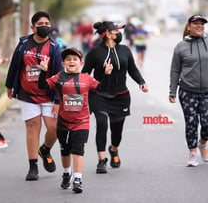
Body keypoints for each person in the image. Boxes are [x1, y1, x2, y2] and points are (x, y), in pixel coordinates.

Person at [38, 47, 113, 193]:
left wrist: (107, 74)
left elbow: (103, 88)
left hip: (82, 122)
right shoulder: (58, 77)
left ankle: (77, 179)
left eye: (75, 59)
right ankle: (67, 173)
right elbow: (42, 86)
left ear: (81, 63)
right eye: (68, 59)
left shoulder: (86, 78)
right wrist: (43, 71)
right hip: (63, 123)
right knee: (65, 151)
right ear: (63, 63)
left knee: (78, 150)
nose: (71, 61)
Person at [82, 21, 148, 174]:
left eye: (119, 31)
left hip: (120, 96)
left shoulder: (124, 50)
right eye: (116, 31)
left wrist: (141, 82)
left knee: (117, 131)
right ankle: (101, 159)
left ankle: (113, 149)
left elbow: (132, 69)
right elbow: (85, 74)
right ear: (106, 34)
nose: (119, 33)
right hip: (99, 94)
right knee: (102, 124)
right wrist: (80, 89)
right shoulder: (94, 52)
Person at [5, 11, 64, 181]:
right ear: (33, 27)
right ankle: (33, 167)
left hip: (48, 95)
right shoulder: (24, 43)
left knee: (54, 129)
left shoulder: (54, 48)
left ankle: (45, 150)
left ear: (50, 26)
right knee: (32, 126)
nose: (44, 27)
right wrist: (9, 85)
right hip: (27, 93)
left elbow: (59, 75)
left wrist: (56, 100)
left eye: (47, 24)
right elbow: (15, 65)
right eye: (40, 24)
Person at [169, 14, 208, 167]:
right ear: (188, 26)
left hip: (207, 92)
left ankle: (203, 144)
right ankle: (193, 153)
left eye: (202, 24)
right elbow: (175, 71)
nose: (199, 26)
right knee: (191, 123)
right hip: (187, 91)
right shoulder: (180, 47)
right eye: (196, 23)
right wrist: (172, 91)